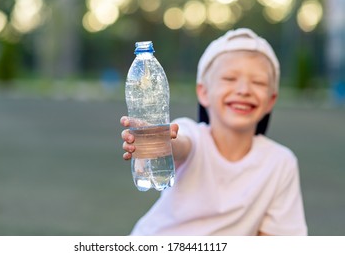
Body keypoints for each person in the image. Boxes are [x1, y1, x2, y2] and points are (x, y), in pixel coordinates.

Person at [120, 28, 308, 236]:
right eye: (229, 78)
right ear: (204, 92)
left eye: (258, 82)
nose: (244, 90)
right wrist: (160, 142)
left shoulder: (280, 163)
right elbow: (180, 145)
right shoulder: (193, 135)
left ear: (271, 100)